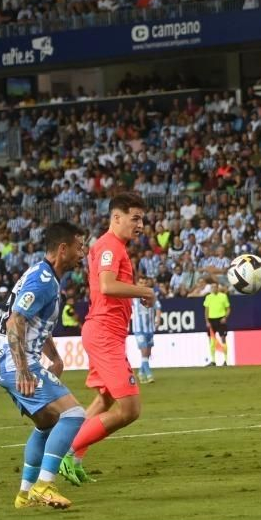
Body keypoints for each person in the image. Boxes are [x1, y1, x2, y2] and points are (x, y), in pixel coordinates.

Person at [0, 222, 90, 510]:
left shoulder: (43, 275)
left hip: (2, 362)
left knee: (47, 424)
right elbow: (15, 321)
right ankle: (45, 485)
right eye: (79, 247)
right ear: (63, 249)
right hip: (13, 362)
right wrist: (23, 369)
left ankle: (24, 495)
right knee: (74, 414)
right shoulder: (43, 281)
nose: (82, 253)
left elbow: (35, 324)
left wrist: (55, 358)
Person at [69, 194, 158, 468]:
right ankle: (65, 451)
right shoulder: (110, 246)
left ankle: (73, 458)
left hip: (107, 333)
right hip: (104, 333)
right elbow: (107, 285)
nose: (140, 225)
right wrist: (144, 291)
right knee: (130, 409)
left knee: (104, 400)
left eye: (142, 219)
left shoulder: (108, 245)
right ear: (116, 217)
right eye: (135, 218)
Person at [131, 281, 158, 384]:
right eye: (140, 282)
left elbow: (158, 307)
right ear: (137, 284)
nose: (143, 284)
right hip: (139, 329)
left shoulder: (150, 295)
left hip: (149, 329)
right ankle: (149, 375)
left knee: (147, 353)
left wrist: (158, 318)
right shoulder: (132, 298)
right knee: (144, 351)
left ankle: (141, 372)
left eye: (144, 282)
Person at [203, 280, 232, 367]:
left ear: (218, 288)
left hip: (220, 319)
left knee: (223, 338)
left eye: (215, 287)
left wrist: (225, 317)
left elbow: (228, 309)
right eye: (212, 287)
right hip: (211, 320)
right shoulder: (208, 297)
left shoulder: (223, 296)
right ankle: (213, 361)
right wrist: (207, 321)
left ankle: (226, 361)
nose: (214, 288)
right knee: (212, 340)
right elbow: (206, 311)